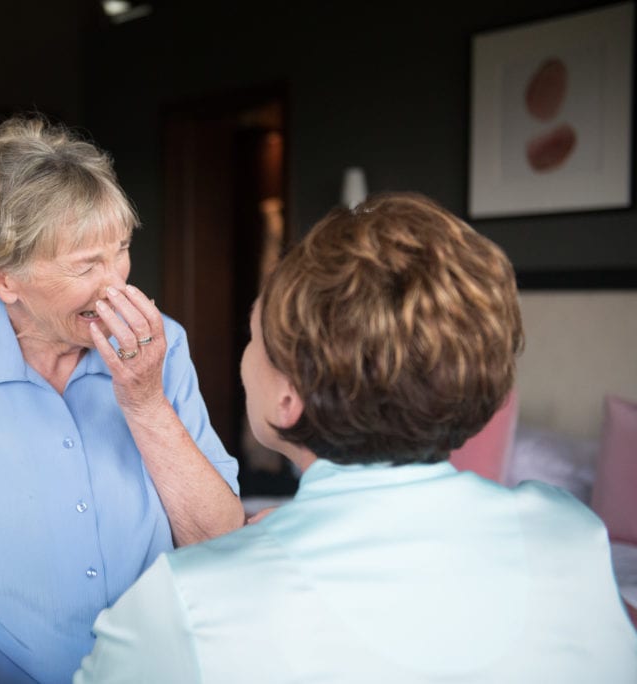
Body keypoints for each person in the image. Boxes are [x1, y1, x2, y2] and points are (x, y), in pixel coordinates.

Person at [74, 192, 637, 682]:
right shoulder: (574, 539)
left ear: (288, 397)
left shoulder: (184, 604)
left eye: (252, 337)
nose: (245, 357)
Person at [0, 114, 244, 684]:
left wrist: (144, 401)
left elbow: (219, 544)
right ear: (3, 280)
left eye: (121, 250)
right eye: (86, 265)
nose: (116, 283)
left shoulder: (161, 346)